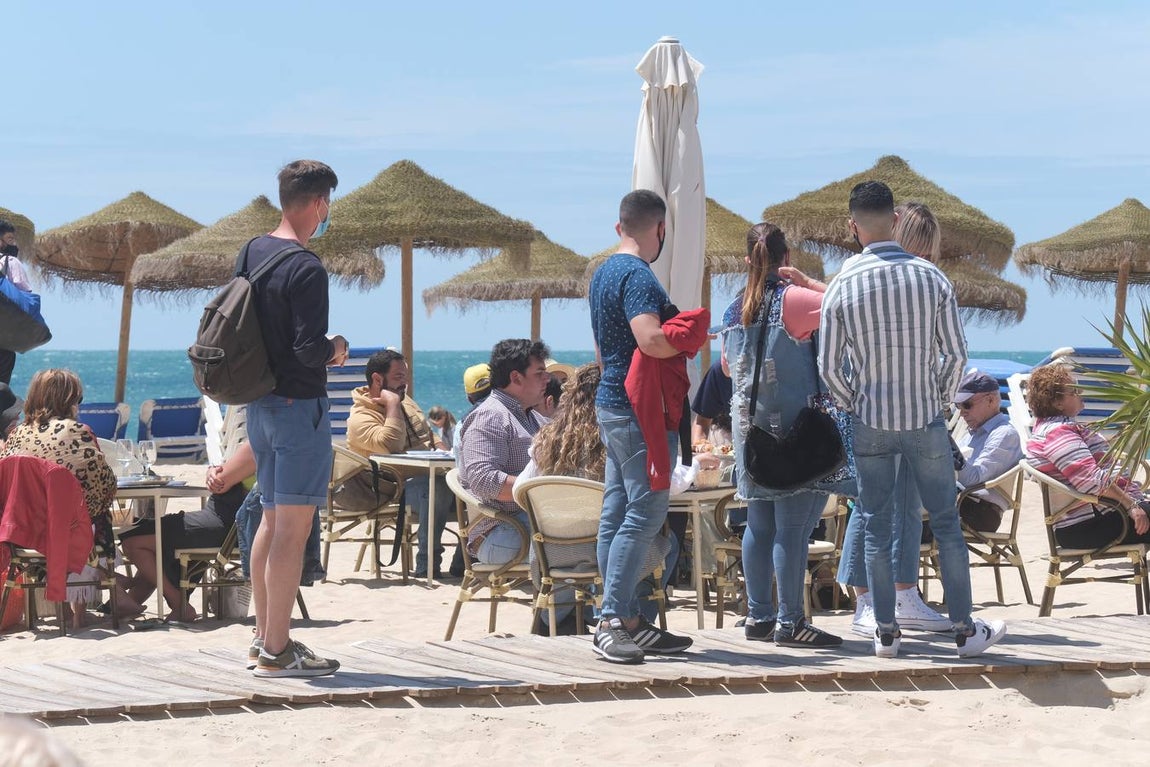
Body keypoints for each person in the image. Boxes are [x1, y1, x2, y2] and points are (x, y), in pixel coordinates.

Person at [819, 180, 1005, 659]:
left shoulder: (843, 281)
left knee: (877, 524)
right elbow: (955, 354)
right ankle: (965, 632)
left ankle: (885, 632)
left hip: (872, 420)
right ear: (896, 220)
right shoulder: (931, 278)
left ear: (852, 225)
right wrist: (939, 401)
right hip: (923, 419)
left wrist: (853, 401)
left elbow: (827, 366)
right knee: (945, 523)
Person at [720, 223, 854, 647]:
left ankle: (759, 617)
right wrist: (810, 282)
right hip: (797, 434)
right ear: (787, 258)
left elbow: (727, 368)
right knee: (793, 531)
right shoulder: (792, 299)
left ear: (746, 261)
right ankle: (791, 620)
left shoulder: (734, 308)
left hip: (751, 434)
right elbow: (851, 303)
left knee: (758, 526)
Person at [587, 189, 705, 664]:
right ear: (660, 229)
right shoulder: (637, 274)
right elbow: (651, 339)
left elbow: (602, 351)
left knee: (617, 511)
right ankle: (613, 619)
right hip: (639, 409)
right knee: (647, 510)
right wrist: (690, 336)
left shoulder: (602, 273)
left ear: (620, 226)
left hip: (611, 402)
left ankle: (629, 620)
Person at [246, 159, 348, 678]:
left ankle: (265, 637)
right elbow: (307, 349)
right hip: (296, 408)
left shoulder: (254, 250)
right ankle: (277, 650)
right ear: (319, 203)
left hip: (258, 405)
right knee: (293, 529)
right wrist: (336, 348)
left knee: (269, 519)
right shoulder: (306, 267)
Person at [839, 200, 952, 636]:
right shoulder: (909, 281)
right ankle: (882, 596)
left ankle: (886, 596)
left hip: (878, 407)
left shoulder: (870, 278)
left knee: (889, 505)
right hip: (899, 408)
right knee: (887, 505)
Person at [513, 362, 674, 633]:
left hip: (551, 550)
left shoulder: (549, 440)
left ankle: (564, 617)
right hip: (607, 550)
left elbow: (523, 488)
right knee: (667, 542)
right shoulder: (622, 440)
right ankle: (631, 618)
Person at [1, 368, 117, 627]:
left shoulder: (16, 435)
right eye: (78, 399)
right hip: (64, 531)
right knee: (89, 517)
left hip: (25, 533)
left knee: (71, 515)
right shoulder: (78, 432)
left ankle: (66, 611)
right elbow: (104, 485)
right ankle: (80, 612)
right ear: (68, 400)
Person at [345, 348, 452, 578]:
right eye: (398, 378)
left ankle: (466, 561)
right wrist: (392, 404)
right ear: (377, 378)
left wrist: (442, 449)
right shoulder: (360, 417)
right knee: (435, 487)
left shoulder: (407, 402)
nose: (404, 384)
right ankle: (427, 564)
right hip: (390, 490)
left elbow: (426, 433)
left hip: (424, 476)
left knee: (472, 482)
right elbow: (391, 445)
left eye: (406, 377)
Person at [119, 443, 256, 621]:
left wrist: (213, 470)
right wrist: (214, 470)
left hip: (222, 524)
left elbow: (219, 482)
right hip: (237, 527)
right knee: (151, 536)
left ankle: (179, 605)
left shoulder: (254, 447)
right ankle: (130, 602)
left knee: (134, 541)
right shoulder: (280, 449)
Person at [1025, 363, 1150, 548]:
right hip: (1090, 523)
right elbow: (1090, 479)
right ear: (1057, 402)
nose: (1080, 393)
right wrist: (1131, 505)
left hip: (1094, 517)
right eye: (1074, 391)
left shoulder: (1048, 430)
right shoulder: (1057, 433)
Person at [457, 339, 550, 568]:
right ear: (516, 378)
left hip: (521, 523)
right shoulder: (491, 416)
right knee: (581, 544)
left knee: (591, 535)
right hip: (500, 531)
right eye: (539, 373)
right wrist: (540, 491)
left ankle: (563, 603)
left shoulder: (530, 416)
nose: (547, 379)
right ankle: (564, 603)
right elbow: (483, 480)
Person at [0, 219, 31, 385]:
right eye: (10, 239)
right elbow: (25, 297)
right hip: (4, 337)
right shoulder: (10, 263)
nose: (14, 243)